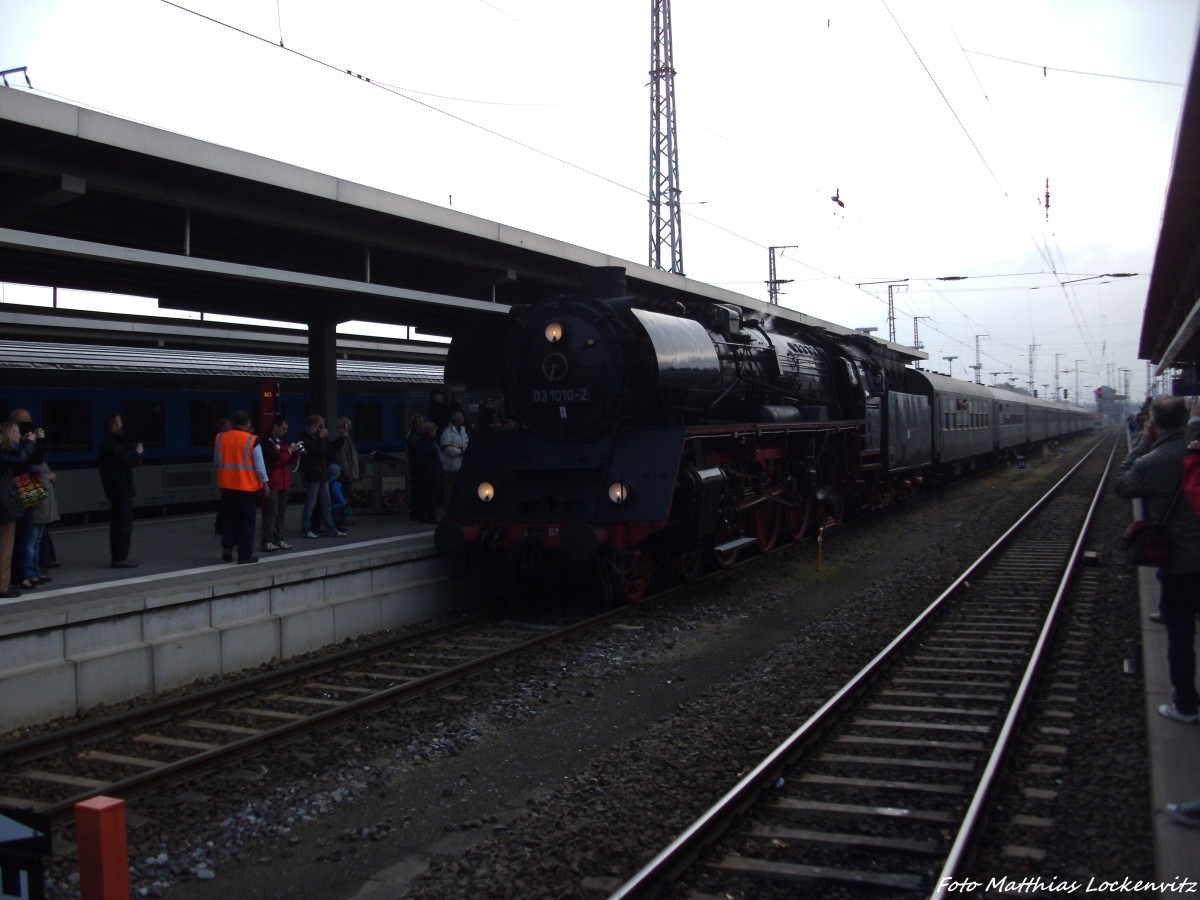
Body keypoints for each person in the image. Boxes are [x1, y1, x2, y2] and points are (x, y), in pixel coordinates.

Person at [1116, 395, 1200, 724]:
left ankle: (1185, 705)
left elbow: (1123, 484)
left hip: (1179, 557)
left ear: (1152, 421)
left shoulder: (1155, 459)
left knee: (1180, 632)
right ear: (1183, 420)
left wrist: (1141, 443)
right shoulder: (1192, 452)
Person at [214, 410, 269, 564]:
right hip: (246, 488)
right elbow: (259, 466)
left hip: (226, 486)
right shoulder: (252, 440)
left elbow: (217, 462)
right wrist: (265, 484)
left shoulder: (221, 438)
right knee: (246, 522)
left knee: (230, 519)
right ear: (248, 423)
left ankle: (227, 546)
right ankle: (244, 555)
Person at [98, 412, 143, 568]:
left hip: (115, 490)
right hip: (121, 490)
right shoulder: (113, 444)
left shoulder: (107, 443)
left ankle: (118, 556)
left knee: (118, 524)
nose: (122, 425)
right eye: (120, 422)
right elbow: (127, 463)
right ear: (113, 426)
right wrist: (137, 454)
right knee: (123, 524)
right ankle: (120, 557)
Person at [1, 421, 38, 598]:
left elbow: (34, 458)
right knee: (8, 545)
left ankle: (21, 575)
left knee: (23, 537)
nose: (19, 435)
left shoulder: (12, 451)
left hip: (14, 497)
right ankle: (7, 583)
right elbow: (19, 461)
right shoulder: (7, 454)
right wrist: (29, 443)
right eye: (16, 432)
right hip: (7, 503)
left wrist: (34, 443)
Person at [297, 414, 345, 539]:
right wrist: (321, 437)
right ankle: (306, 529)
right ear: (315, 426)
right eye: (321, 425)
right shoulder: (306, 437)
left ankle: (331, 528)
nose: (324, 428)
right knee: (311, 502)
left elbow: (329, 449)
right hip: (313, 473)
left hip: (322, 473)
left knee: (326, 502)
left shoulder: (315, 437)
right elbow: (319, 451)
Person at [260, 417, 298, 552]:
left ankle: (278, 539)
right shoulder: (266, 443)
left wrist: (295, 452)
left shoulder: (280, 442)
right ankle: (267, 540)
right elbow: (276, 460)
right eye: (283, 428)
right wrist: (289, 451)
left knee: (281, 512)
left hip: (283, 482)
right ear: (275, 427)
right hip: (273, 482)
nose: (285, 432)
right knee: (271, 512)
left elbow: (287, 461)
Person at [408, 421, 443, 524]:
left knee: (424, 496)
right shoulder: (428, 444)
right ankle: (430, 516)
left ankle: (422, 515)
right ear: (431, 431)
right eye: (434, 431)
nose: (435, 432)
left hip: (424, 474)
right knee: (430, 497)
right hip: (429, 474)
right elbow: (428, 461)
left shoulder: (421, 443)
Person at [331, 417, 359, 527]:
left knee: (346, 496)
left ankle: (346, 516)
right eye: (348, 425)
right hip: (344, 473)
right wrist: (346, 471)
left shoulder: (345, 437)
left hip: (346, 471)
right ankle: (343, 518)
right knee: (345, 496)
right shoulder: (341, 438)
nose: (349, 427)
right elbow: (342, 457)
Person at [439, 410, 469, 512]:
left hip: (462, 466)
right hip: (451, 467)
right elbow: (447, 450)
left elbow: (466, 443)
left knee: (461, 490)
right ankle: (446, 510)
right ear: (456, 419)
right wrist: (461, 451)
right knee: (449, 490)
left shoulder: (463, 430)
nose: (463, 419)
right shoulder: (447, 433)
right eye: (461, 417)